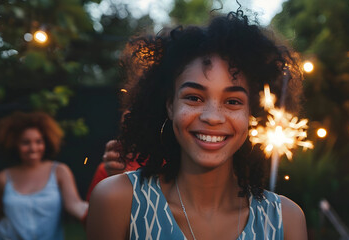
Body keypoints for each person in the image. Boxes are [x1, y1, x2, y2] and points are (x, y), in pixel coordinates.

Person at [87, 11, 307, 240]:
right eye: (194, 97)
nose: (213, 117)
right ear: (170, 105)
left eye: (233, 102)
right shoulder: (118, 201)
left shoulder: (285, 220)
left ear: (252, 114)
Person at [0, 111, 89, 240]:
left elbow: (74, 204)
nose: (33, 148)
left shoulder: (59, 171)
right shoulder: (2, 178)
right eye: (26, 142)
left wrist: (96, 212)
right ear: (14, 144)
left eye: (38, 141)